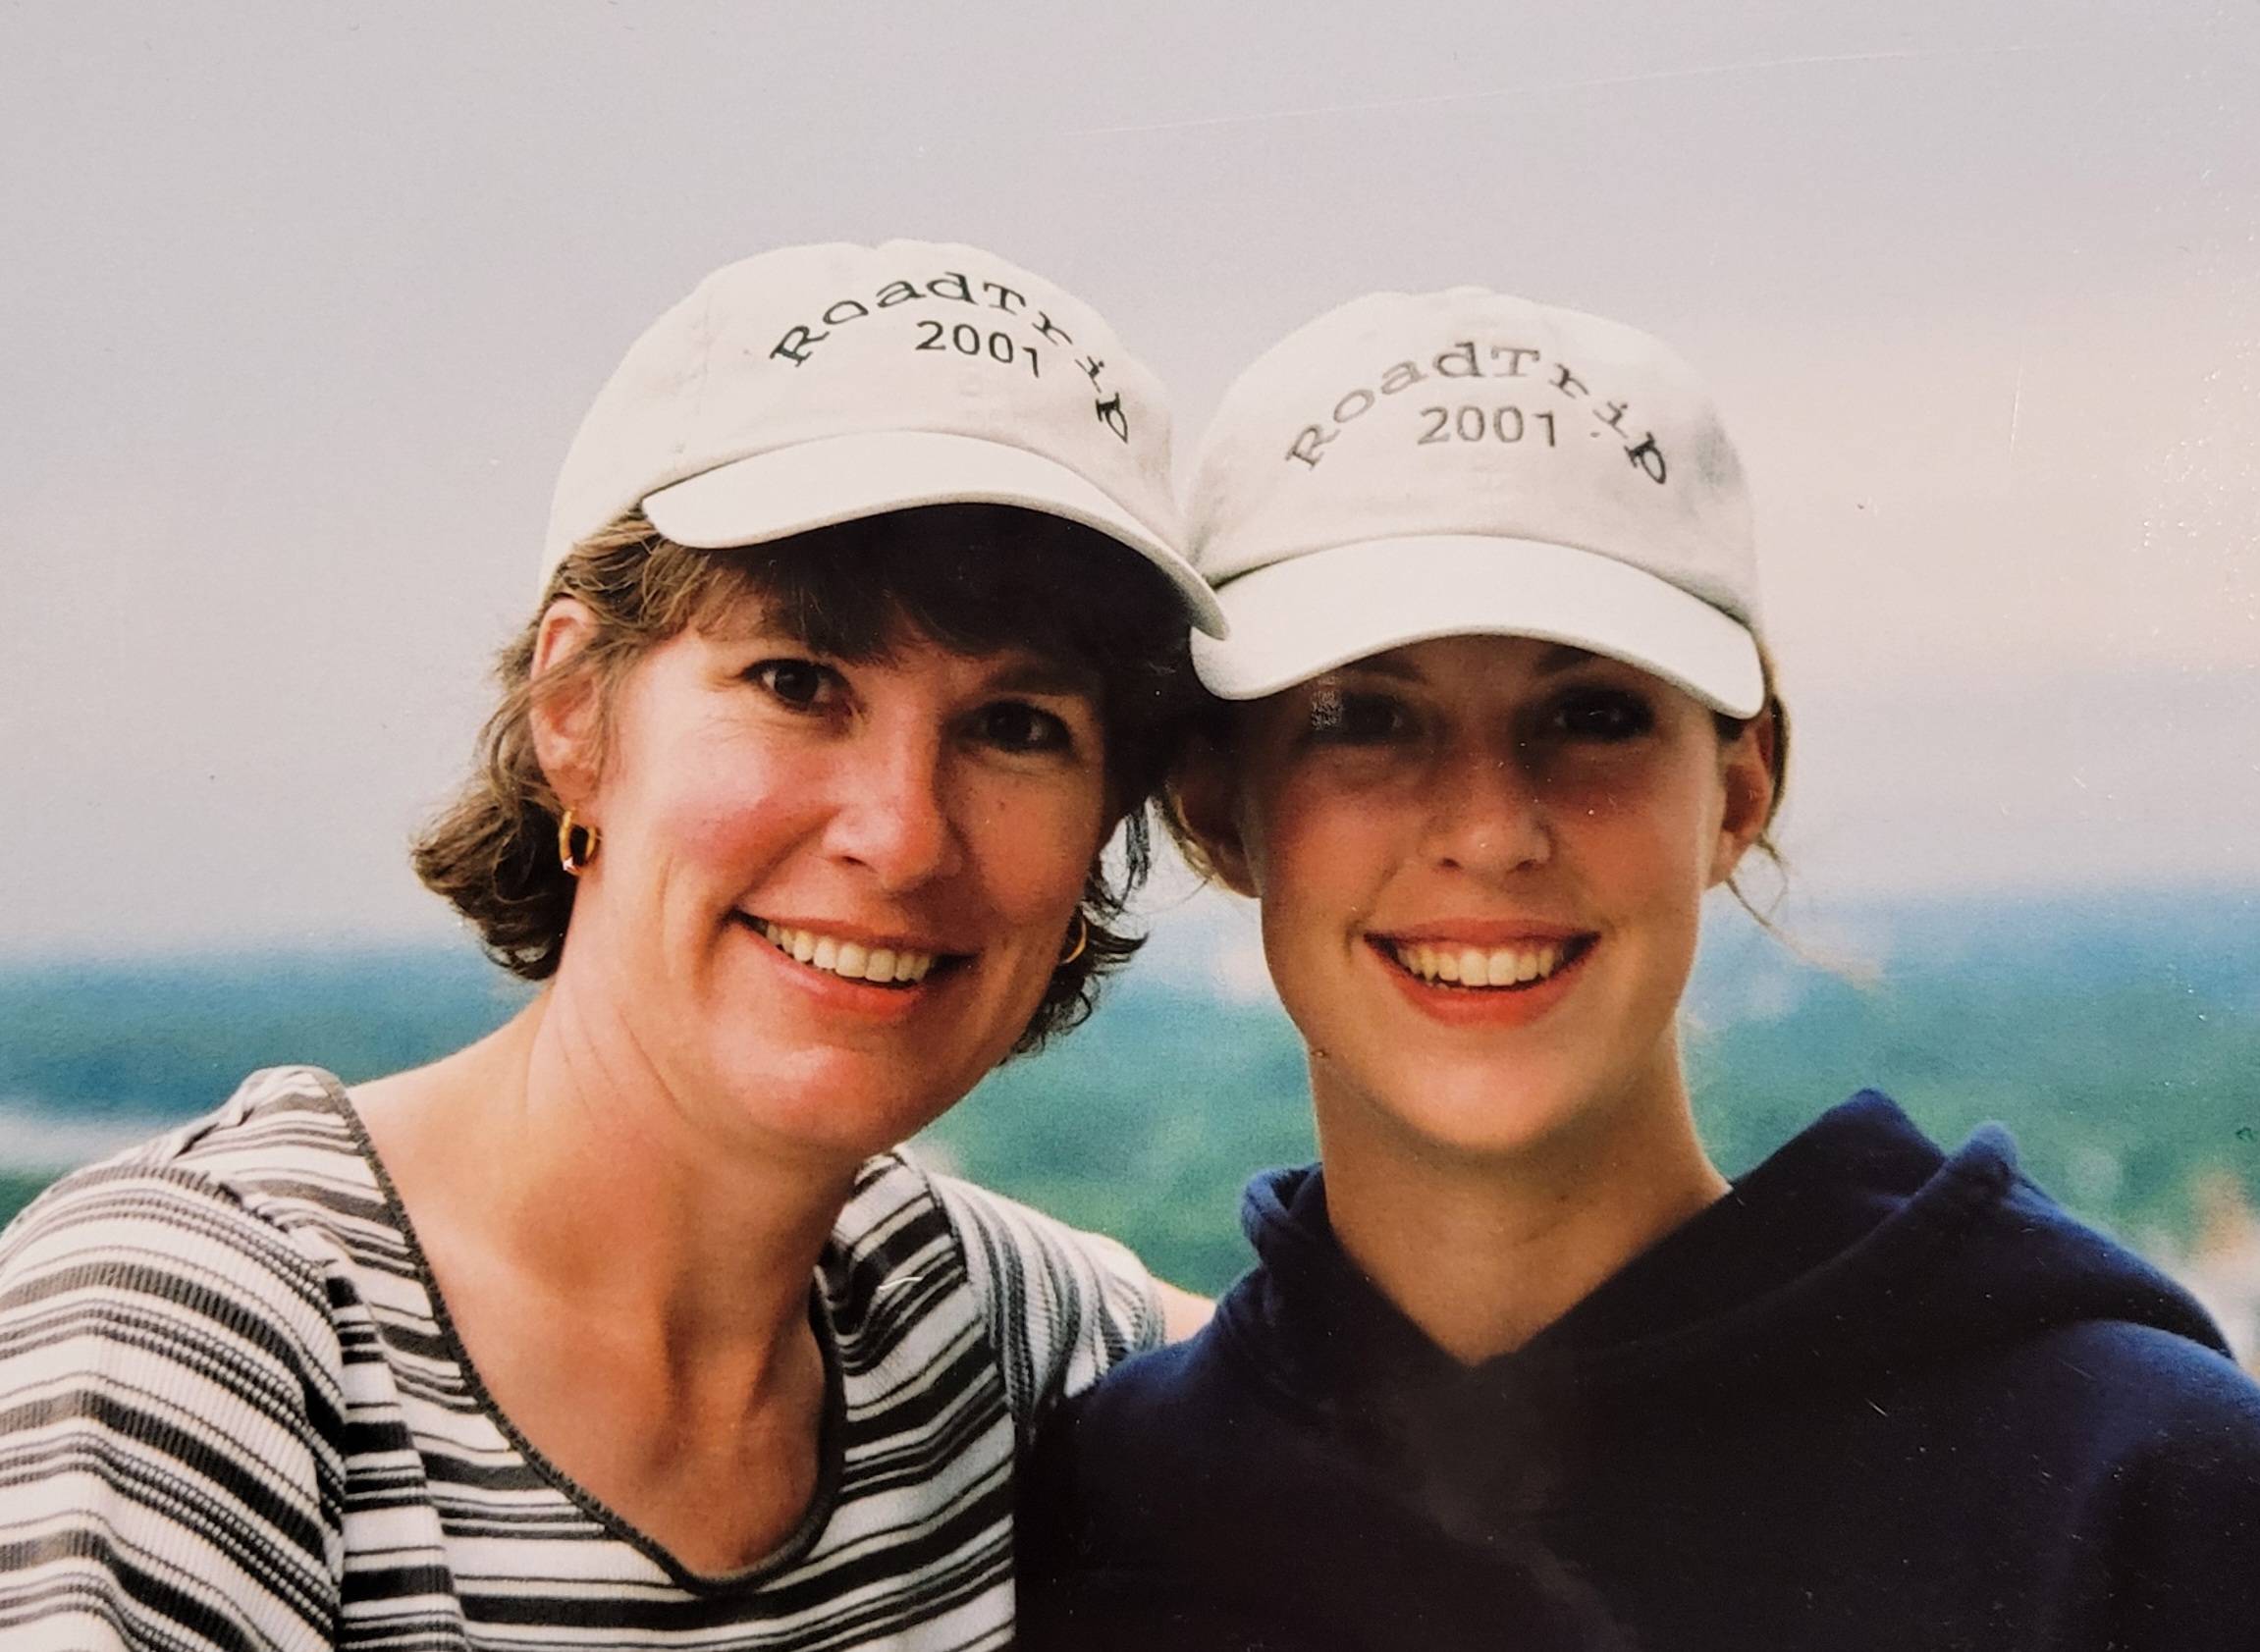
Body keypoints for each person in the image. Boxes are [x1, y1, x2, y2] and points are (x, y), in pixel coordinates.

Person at [0, 240, 1221, 1651]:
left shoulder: (983, 1330)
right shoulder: (205, 1338)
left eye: (1018, 726)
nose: (901, 834)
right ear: (575, 713)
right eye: (796, 681)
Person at [1016, 286, 2260, 1649]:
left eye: (1589, 713)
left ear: (1738, 789)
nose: (1490, 831)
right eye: (1361, 716)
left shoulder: (2130, 1482)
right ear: (1212, 802)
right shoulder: (1101, 1509)